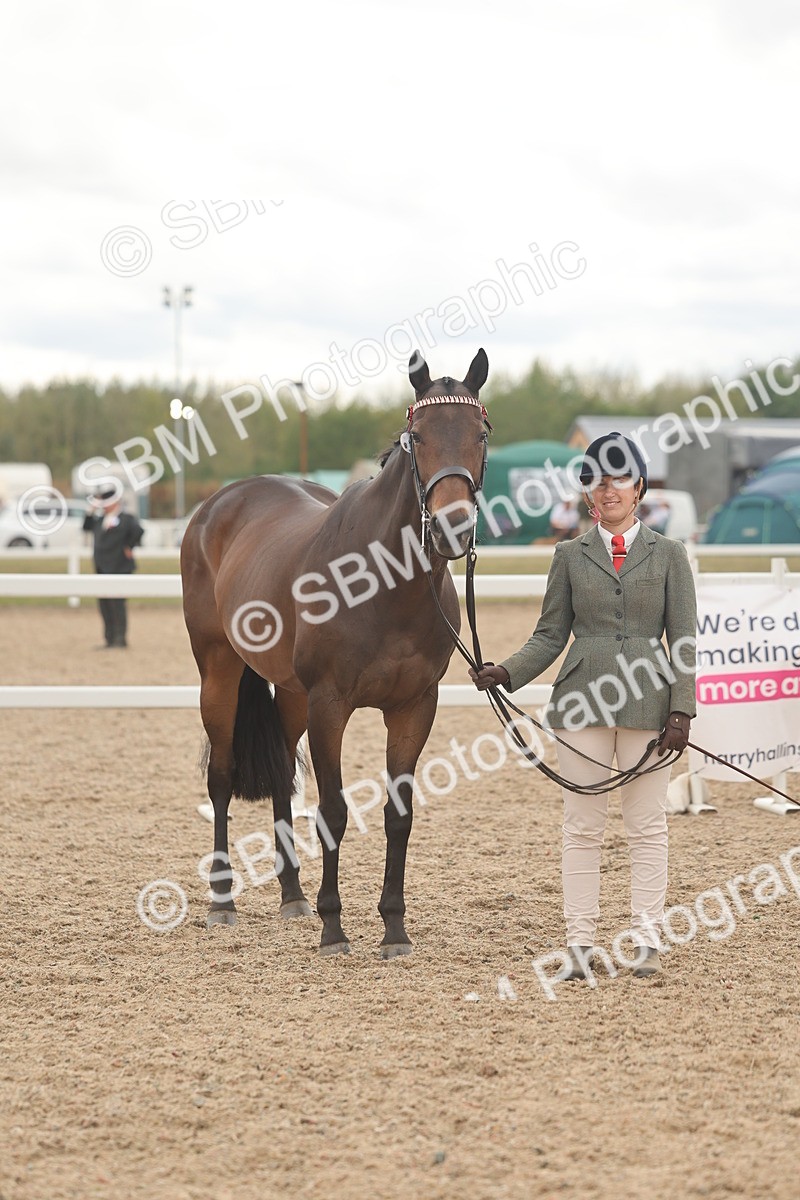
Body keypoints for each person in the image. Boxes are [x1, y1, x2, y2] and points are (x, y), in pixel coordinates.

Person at [470, 432, 697, 981]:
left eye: (620, 478)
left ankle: (645, 937)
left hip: (650, 705)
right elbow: (550, 635)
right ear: (588, 494)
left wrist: (682, 711)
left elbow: (684, 640)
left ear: (640, 487)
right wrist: (508, 671)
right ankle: (579, 943)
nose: (610, 488)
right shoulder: (569, 555)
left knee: (646, 824)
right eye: (598, 479)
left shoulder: (670, 554)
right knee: (582, 826)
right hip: (582, 703)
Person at [82, 488, 144, 648]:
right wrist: (91, 510)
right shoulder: (100, 520)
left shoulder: (126, 519)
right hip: (102, 567)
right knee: (104, 604)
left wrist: (129, 546)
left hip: (119, 567)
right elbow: (86, 527)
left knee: (117, 604)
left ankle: (120, 638)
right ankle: (109, 638)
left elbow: (138, 531)